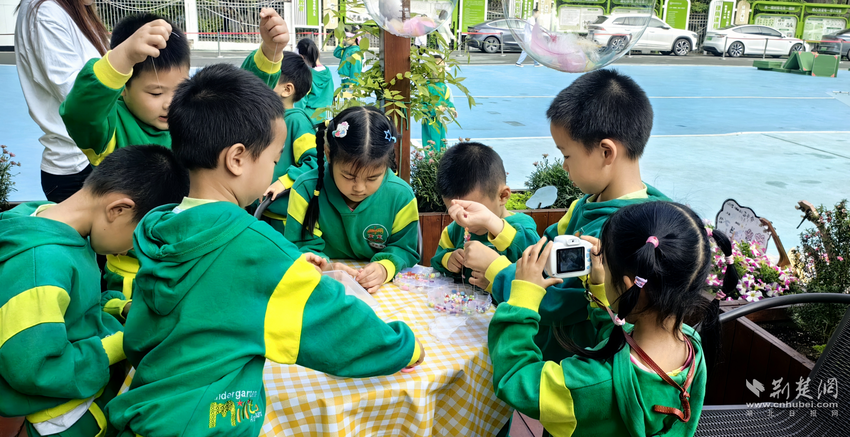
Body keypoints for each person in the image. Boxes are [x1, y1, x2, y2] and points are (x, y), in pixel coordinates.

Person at [103, 64, 425, 437]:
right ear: (237, 158)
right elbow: (334, 324)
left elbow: (147, 332)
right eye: (274, 160)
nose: (275, 171)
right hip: (210, 425)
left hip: (147, 410)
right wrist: (404, 347)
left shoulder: (162, 229)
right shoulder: (254, 246)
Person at [60, 9, 285, 300]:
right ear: (123, 89)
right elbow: (80, 113)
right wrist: (122, 58)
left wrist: (269, 52)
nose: (168, 103)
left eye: (177, 89)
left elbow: (238, 112)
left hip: (200, 258)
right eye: (155, 93)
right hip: (136, 274)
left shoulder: (188, 118)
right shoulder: (111, 129)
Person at [459, 69, 669, 362]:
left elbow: (561, 302)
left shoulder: (625, 233)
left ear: (606, 152)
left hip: (571, 367)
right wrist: (495, 223)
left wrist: (497, 272)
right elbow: (541, 255)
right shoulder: (586, 204)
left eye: (567, 155)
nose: (564, 166)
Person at [488, 201, 738, 435]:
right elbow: (623, 340)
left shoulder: (588, 383)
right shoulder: (691, 344)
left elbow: (515, 379)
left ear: (631, 286)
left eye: (606, 266)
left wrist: (523, 298)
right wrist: (600, 288)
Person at [0, 145, 189, 437]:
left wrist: (119, 307)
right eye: (139, 234)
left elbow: (77, 309)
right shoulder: (40, 265)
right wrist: (120, 343)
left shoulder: (65, 229)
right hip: (59, 419)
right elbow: (34, 368)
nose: (134, 249)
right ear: (118, 209)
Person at [284, 106, 420, 294]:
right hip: (324, 285)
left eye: (372, 178)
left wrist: (385, 267)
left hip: (382, 290)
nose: (359, 188)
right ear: (328, 154)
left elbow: (404, 247)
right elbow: (301, 247)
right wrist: (327, 268)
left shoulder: (401, 196)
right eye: (348, 176)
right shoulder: (305, 190)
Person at [14, 0, 109, 201]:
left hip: (92, 160)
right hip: (76, 169)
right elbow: (79, 100)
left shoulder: (75, 10)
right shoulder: (44, 13)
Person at [431, 142, 539, 280]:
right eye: (455, 212)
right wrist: (448, 259)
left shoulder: (523, 227)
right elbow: (436, 261)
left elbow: (537, 262)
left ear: (502, 196)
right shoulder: (454, 231)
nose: (466, 222)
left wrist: (493, 280)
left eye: (474, 211)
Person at [261, 52, 318, 234]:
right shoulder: (263, 120)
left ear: (287, 89)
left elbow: (314, 163)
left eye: (267, 79)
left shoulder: (296, 122)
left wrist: (285, 181)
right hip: (261, 213)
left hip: (287, 220)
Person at [295, 38, 335, 126]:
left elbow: (300, 103)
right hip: (325, 117)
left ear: (302, 57)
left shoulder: (306, 75)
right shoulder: (327, 72)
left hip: (308, 119)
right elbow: (330, 94)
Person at [421, 54, 456, 151]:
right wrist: (435, 110)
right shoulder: (425, 87)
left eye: (441, 67)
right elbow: (421, 106)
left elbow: (448, 102)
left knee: (442, 144)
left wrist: (452, 109)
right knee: (432, 145)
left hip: (441, 120)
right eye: (436, 66)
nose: (438, 69)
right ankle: (431, 165)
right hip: (430, 121)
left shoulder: (444, 87)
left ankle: (440, 163)